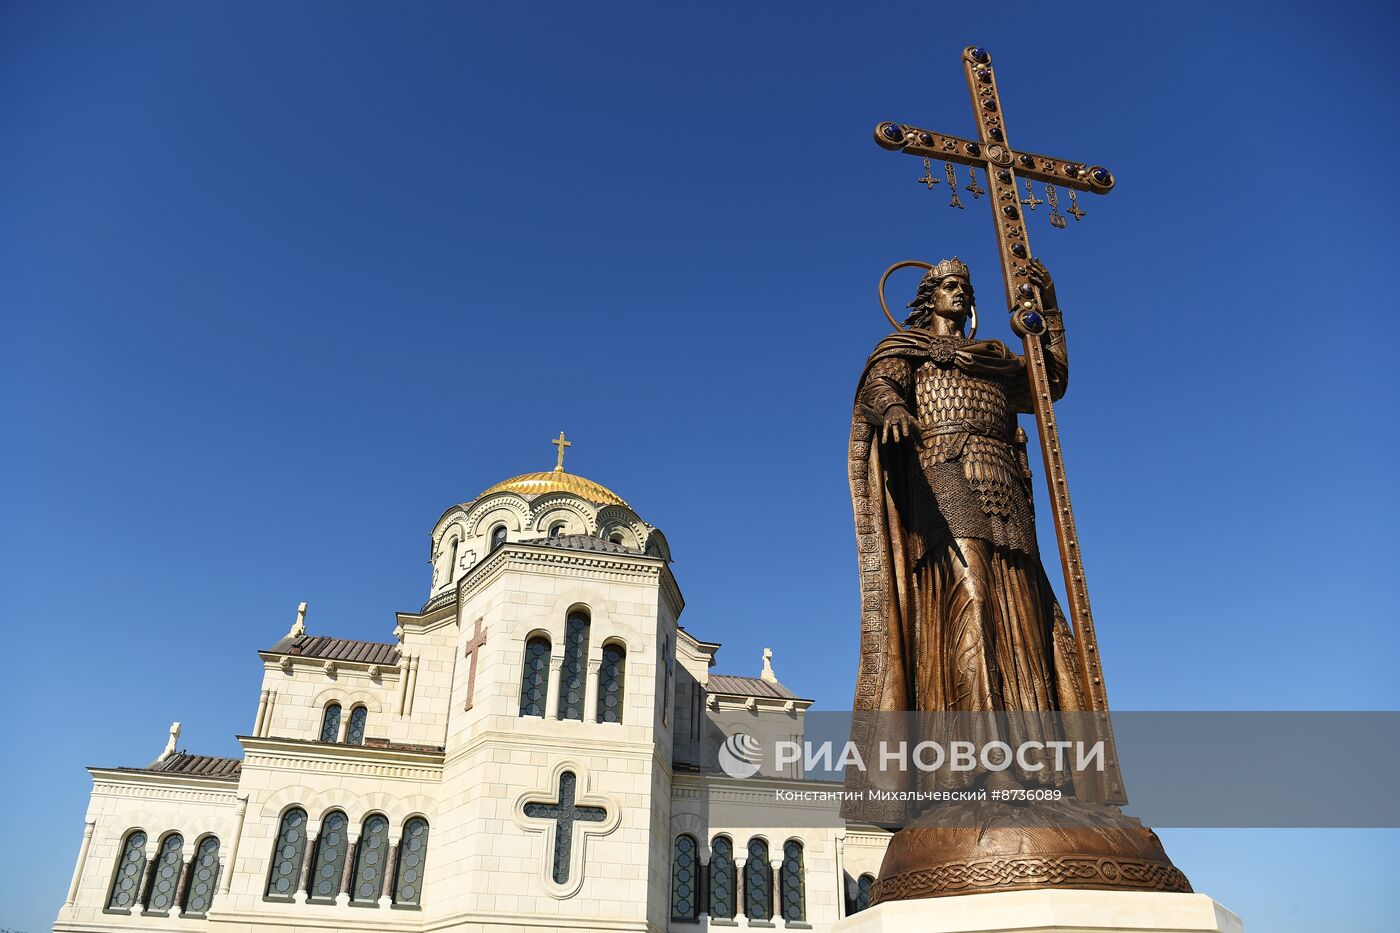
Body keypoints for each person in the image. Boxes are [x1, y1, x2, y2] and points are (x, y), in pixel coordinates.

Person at [842, 257, 1123, 824]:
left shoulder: (991, 359)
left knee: (1020, 610)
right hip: (939, 469)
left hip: (1002, 482)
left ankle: (1039, 766)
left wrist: (1048, 312)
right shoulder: (903, 348)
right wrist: (894, 407)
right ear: (929, 296)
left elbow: (1050, 383)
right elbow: (878, 386)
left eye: (965, 288)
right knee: (970, 594)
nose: (959, 294)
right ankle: (975, 761)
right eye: (949, 286)